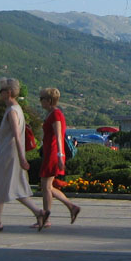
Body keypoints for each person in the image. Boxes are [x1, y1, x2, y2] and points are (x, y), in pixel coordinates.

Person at [0, 78, 46, 231]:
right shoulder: (16, 109)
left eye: (2, 91)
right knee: (13, 186)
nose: (0, 94)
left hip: (8, 153)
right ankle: (38, 212)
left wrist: (22, 158)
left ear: (8, 92)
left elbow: (17, 136)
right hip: (11, 152)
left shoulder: (12, 111)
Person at [37, 87, 80, 228]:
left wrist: (60, 156)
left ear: (49, 100)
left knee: (46, 186)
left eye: (42, 98)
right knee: (46, 186)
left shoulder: (56, 115)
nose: (40, 101)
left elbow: (59, 136)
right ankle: (71, 206)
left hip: (54, 154)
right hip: (50, 152)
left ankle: (46, 218)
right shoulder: (51, 114)